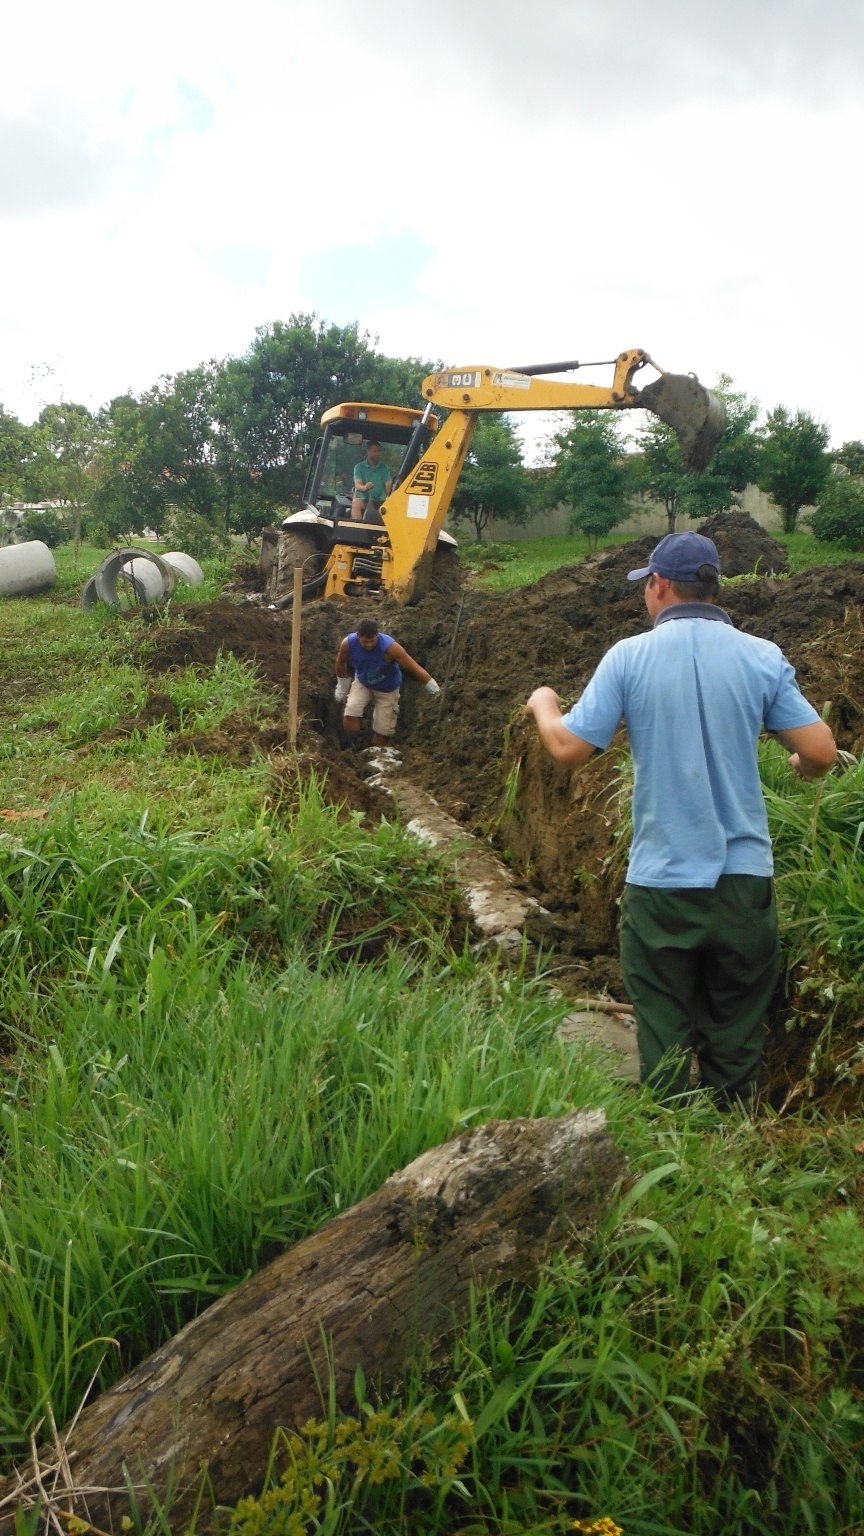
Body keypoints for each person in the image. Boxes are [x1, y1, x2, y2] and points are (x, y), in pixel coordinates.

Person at [524, 531, 837, 1106]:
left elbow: (568, 749)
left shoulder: (630, 656)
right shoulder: (761, 655)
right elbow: (819, 753)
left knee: (663, 1028)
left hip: (663, 882)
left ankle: (671, 1140)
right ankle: (731, 1137)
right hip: (743, 883)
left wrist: (544, 703)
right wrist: (798, 763)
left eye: (646, 585)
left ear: (660, 585)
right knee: (736, 1026)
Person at [334, 617, 440, 746]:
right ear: (358, 637)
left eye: (372, 641)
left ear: (377, 635)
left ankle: (377, 755)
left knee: (383, 730)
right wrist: (342, 687)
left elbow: (413, 667)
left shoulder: (390, 647)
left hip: (387, 688)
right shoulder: (348, 644)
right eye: (364, 642)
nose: (368, 645)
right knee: (351, 712)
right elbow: (341, 663)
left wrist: (435, 689)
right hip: (363, 682)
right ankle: (350, 746)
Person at [351, 441, 392, 522]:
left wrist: (391, 497)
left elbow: (388, 487)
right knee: (356, 503)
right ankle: (357, 528)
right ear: (368, 451)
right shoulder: (359, 467)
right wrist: (365, 487)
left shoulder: (384, 468)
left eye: (379, 451)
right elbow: (358, 485)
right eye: (375, 451)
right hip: (363, 499)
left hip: (379, 501)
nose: (378, 453)